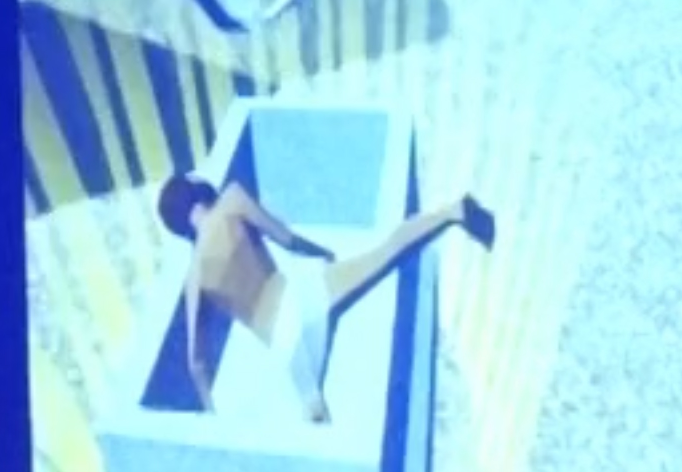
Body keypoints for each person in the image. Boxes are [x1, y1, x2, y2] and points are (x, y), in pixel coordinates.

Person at [157, 174, 497, 426]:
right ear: (193, 190)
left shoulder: (194, 279)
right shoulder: (231, 201)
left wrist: (211, 412)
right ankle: (454, 212)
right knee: (384, 253)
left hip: (285, 340)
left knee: (317, 419)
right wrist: (321, 253)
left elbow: (196, 362)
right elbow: (286, 238)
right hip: (301, 293)